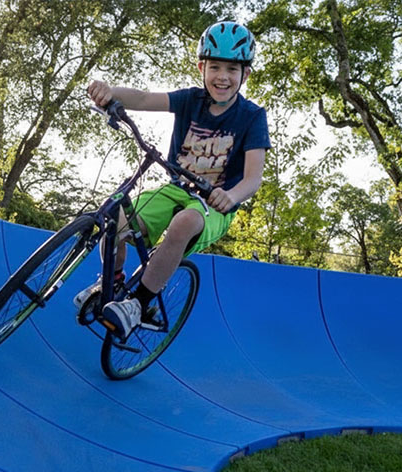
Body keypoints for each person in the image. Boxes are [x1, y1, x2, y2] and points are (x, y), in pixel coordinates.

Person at [75, 20, 271, 337]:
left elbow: (253, 178)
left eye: (232, 70)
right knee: (117, 219)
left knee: (183, 224)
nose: (222, 76)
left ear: (245, 75)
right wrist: (110, 93)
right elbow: (141, 98)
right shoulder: (189, 100)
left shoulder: (251, 116)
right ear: (201, 68)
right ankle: (110, 282)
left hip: (213, 206)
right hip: (174, 189)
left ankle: (137, 304)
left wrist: (231, 197)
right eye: (215, 67)